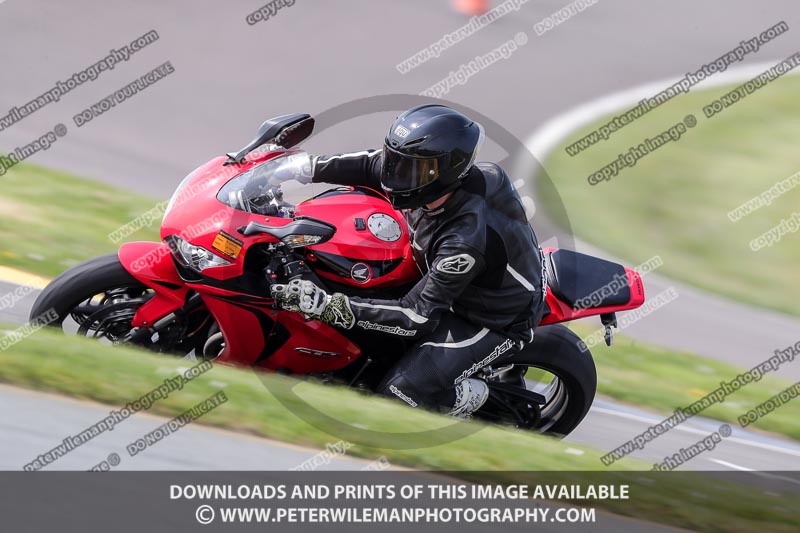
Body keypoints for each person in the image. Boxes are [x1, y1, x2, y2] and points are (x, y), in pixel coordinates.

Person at [271, 104, 547, 417]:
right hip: (443, 275)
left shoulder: (463, 241)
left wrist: (327, 306)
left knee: (397, 396)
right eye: (396, 161)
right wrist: (303, 168)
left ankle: (470, 397)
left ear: (448, 171)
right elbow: (372, 164)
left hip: (489, 318)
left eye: (411, 169)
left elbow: (417, 316)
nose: (394, 174)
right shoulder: (431, 184)